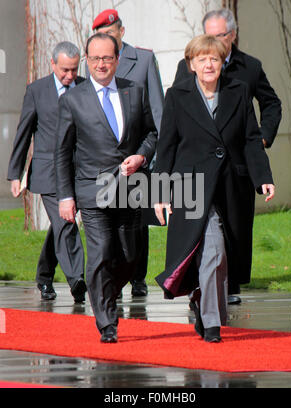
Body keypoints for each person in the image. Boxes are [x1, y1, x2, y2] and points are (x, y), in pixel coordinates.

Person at [154, 35, 275, 343]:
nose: (209, 64)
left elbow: (251, 138)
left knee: (221, 256)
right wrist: (159, 192)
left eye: (215, 59)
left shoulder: (239, 91)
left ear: (223, 63)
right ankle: (211, 324)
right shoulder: (177, 96)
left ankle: (200, 300)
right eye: (202, 59)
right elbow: (166, 146)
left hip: (230, 187)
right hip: (190, 187)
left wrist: (263, 176)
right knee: (212, 250)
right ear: (191, 64)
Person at [173, 8, 282, 305]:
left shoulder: (250, 68)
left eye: (220, 37)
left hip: (236, 171)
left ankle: (226, 289)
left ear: (232, 35)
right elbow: (176, 126)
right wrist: (164, 187)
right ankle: (203, 293)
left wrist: (262, 140)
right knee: (204, 236)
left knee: (233, 235)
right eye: (209, 36)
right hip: (196, 174)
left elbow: (270, 106)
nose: (213, 47)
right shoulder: (188, 71)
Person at [55, 33, 157, 343]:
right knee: (100, 253)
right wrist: (66, 196)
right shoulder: (73, 99)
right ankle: (107, 323)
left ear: (116, 60)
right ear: (87, 60)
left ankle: (107, 292)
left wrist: (141, 156)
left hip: (129, 189)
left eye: (107, 58)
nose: (102, 64)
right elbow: (62, 152)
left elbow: (152, 133)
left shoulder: (134, 93)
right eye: (96, 58)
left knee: (129, 255)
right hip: (92, 189)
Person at [89, 9, 165, 297]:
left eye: (111, 34)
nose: (107, 41)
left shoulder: (143, 60)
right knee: (108, 221)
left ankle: (137, 277)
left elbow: (157, 109)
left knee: (137, 223)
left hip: (139, 155)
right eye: (102, 36)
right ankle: (114, 278)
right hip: (106, 160)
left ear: (122, 31)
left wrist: (156, 157)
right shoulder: (94, 64)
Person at [7, 41, 87, 303]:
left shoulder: (86, 87)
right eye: (64, 69)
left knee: (59, 226)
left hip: (80, 170)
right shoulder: (37, 90)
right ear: (52, 64)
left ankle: (43, 275)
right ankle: (77, 279)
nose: (69, 76)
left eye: (74, 70)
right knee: (66, 223)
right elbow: (24, 132)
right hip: (48, 172)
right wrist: (16, 173)